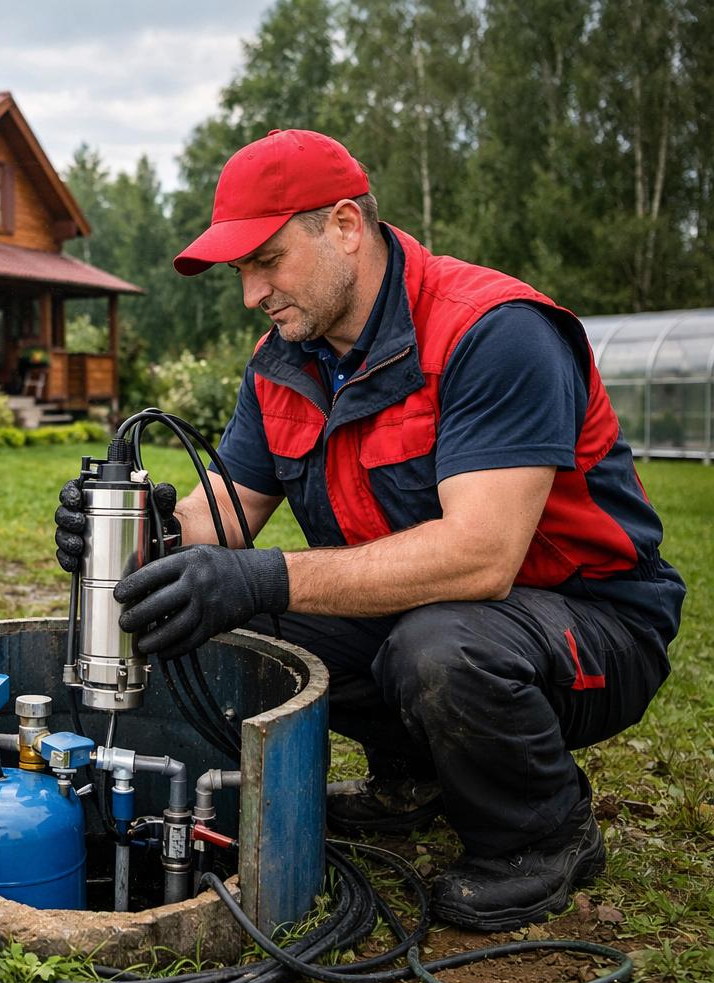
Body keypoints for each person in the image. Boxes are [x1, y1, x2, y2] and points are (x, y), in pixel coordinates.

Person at [53, 129, 684, 932]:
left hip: (592, 624)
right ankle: (414, 776)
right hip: (436, 612)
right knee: (212, 610)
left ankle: (542, 834)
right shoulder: (287, 358)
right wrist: (134, 534)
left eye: (266, 260)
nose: (251, 292)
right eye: (240, 270)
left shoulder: (492, 331)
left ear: (344, 226)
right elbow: (225, 515)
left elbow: (482, 557)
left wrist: (268, 575)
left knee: (441, 646)